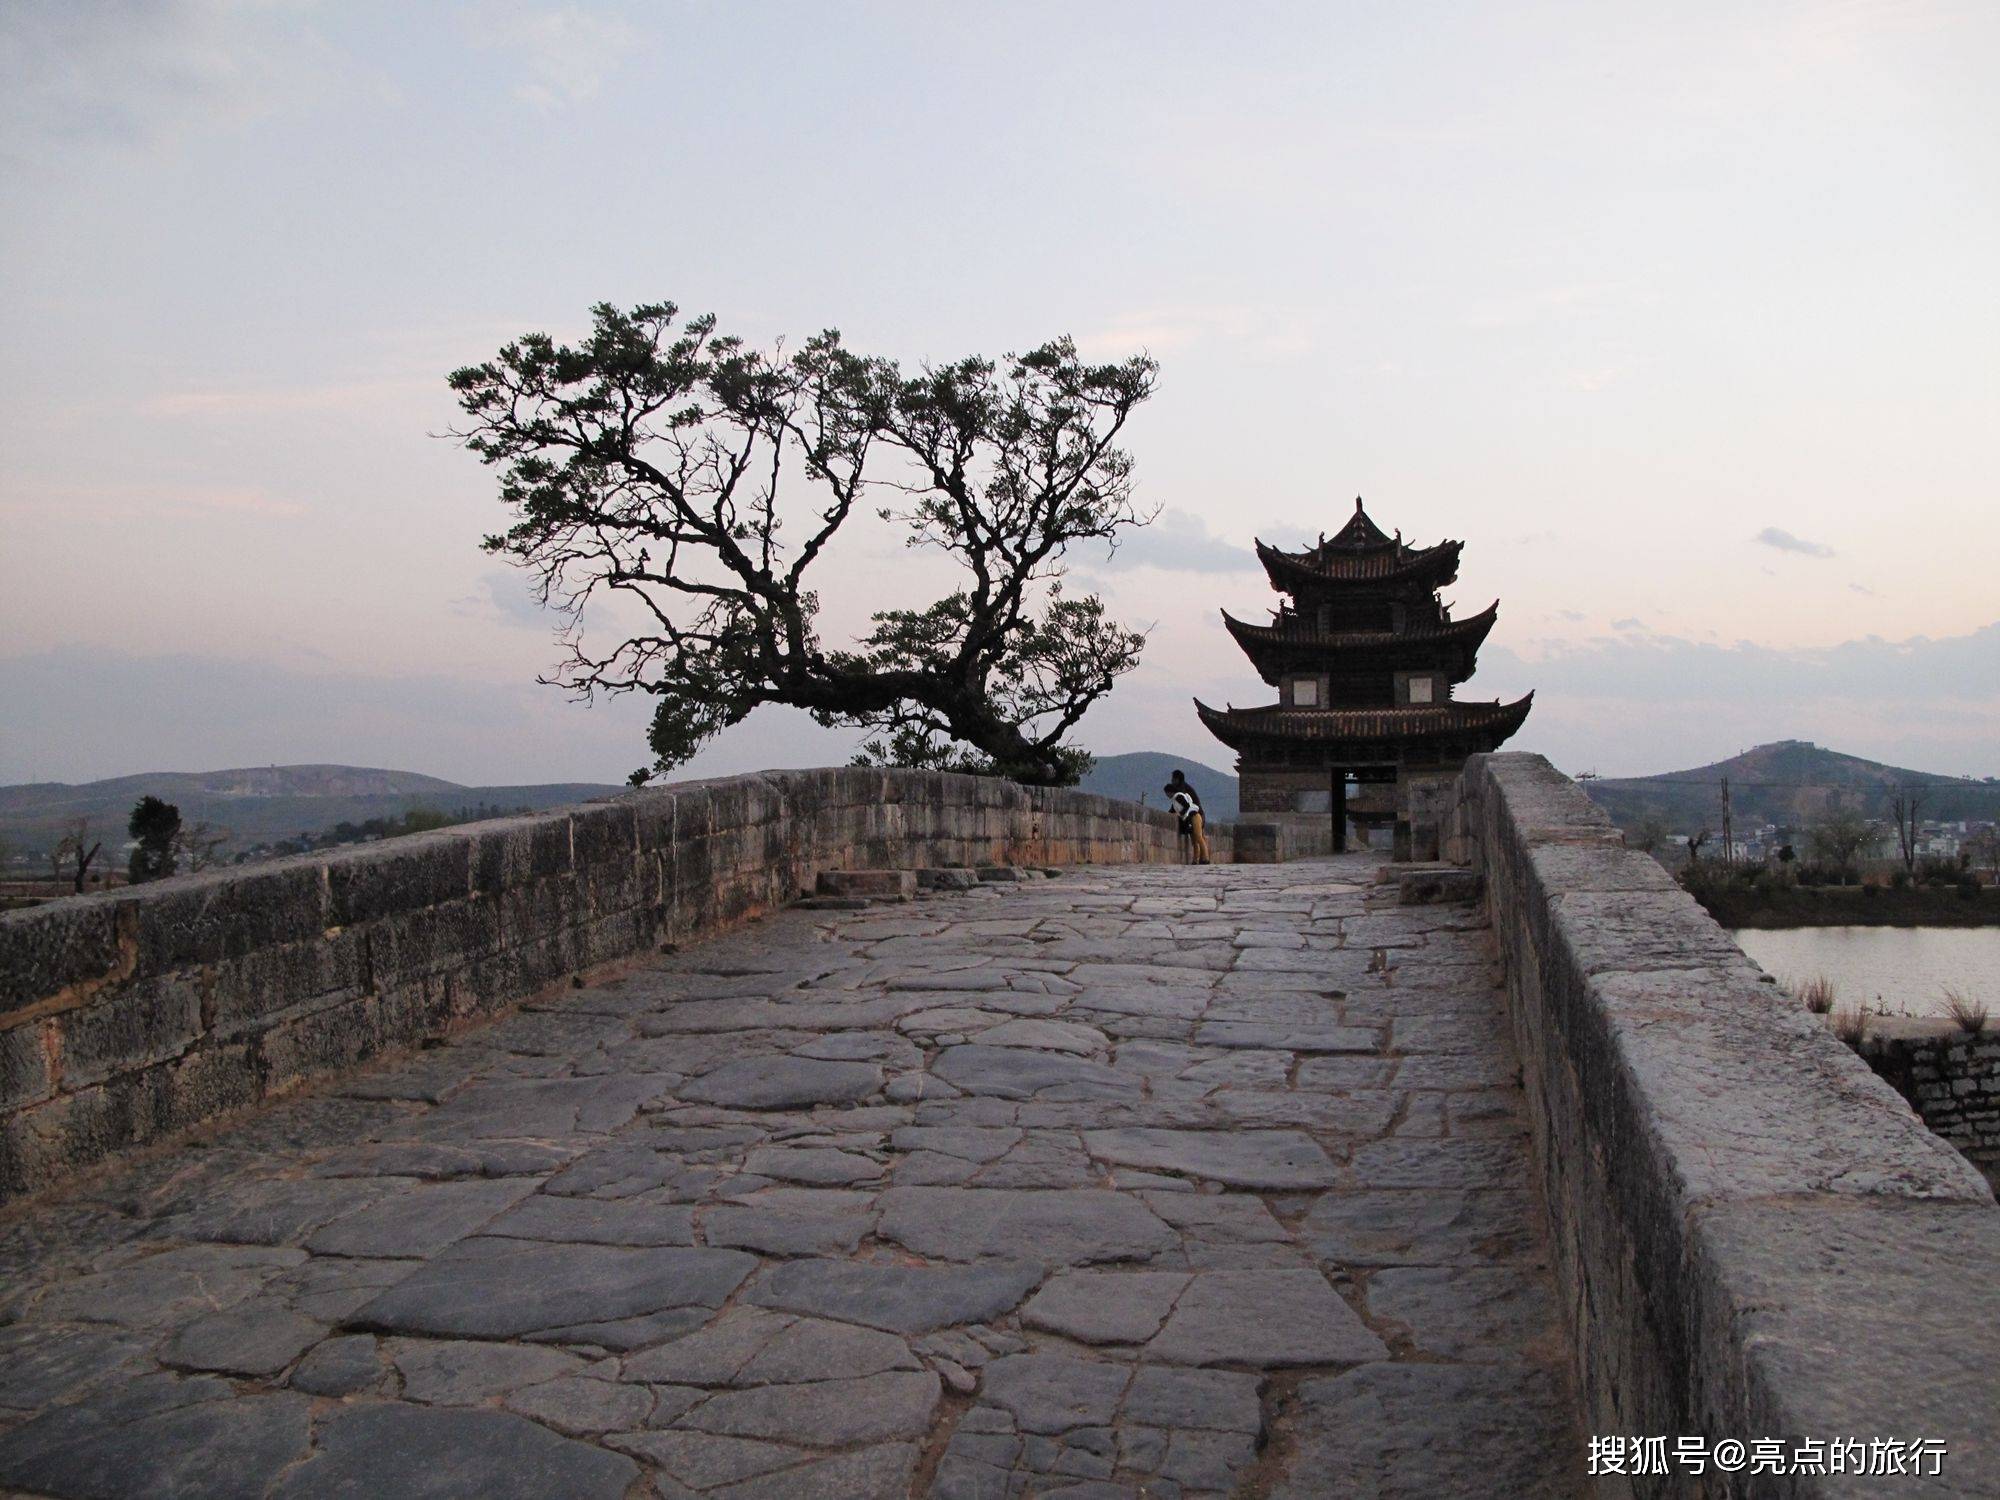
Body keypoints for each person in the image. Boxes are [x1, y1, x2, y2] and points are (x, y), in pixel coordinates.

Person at [1164, 770, 1210, 865]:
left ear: (1177, 779)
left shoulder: (1181, 791)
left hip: (1196, 814)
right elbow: (1175, 807)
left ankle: (1205, 858)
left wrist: (1181, 813)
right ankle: (1196, 859)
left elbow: (1185, 805)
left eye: (1173, 779)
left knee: (1198, 837)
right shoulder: (1181, 791)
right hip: (1194, 815)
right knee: (1194, 839)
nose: (1172, 781)